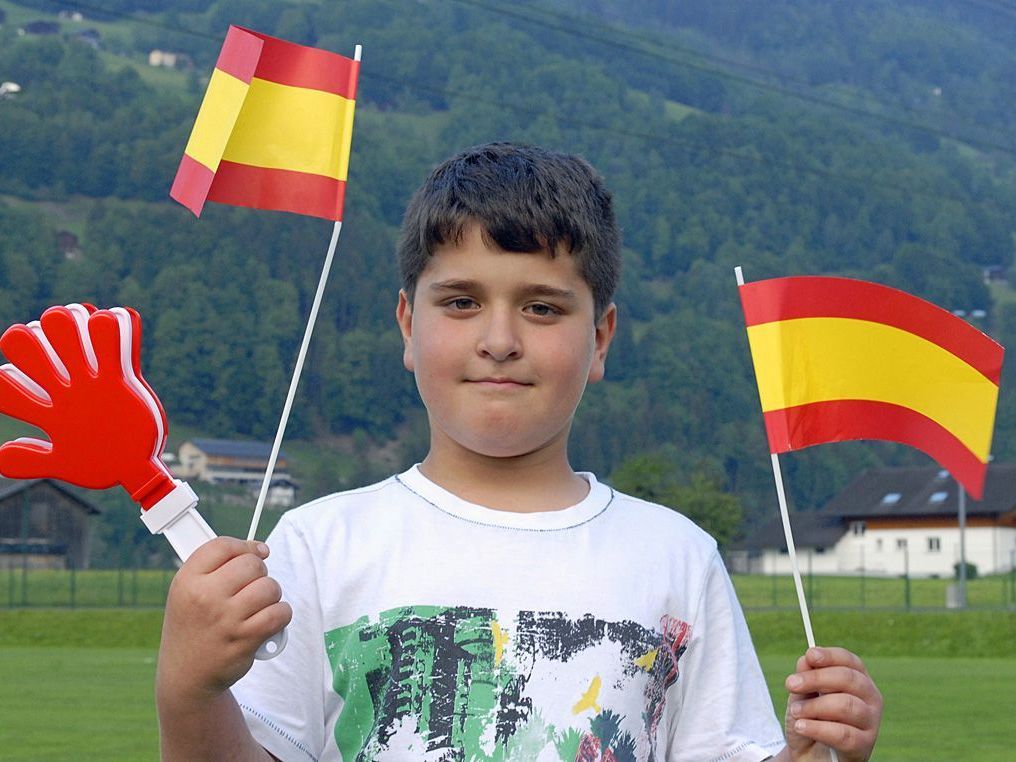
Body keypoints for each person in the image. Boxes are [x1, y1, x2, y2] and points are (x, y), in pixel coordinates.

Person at [156, 142, 883, 761]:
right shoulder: (319, 546)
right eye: (462, 301)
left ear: (599, 338)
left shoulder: (676, 557)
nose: (499, 340)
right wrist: (187, 687)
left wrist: (813, 749)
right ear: (408, 324)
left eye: (541, 307)